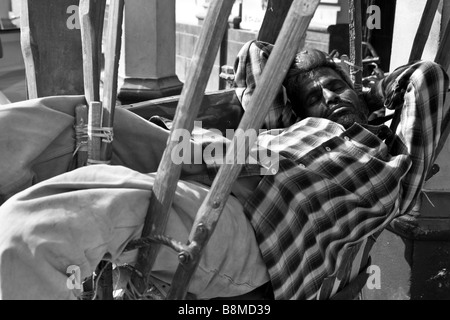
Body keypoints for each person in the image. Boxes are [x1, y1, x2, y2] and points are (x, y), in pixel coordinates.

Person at [0, 40, 448, 301]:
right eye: (315, 98)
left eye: (335, 89)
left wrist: (364, 92)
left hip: (253, 220)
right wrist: (300, 91)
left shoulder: (395, 155)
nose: (329, 100)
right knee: (74, 118)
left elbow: (428, 76)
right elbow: (258, 57)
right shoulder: (290, 127)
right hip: (222, 156)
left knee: (51, 220)